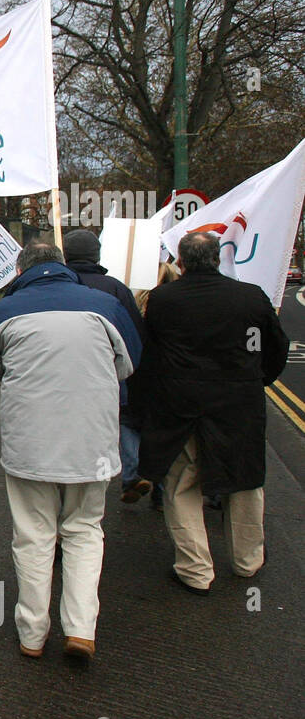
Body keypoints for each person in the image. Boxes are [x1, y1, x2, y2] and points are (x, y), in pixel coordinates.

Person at [0, 242, 140, 660]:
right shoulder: (105, 305)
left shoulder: (2, 312)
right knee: (84, 532)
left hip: (29, 445)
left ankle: (32, 633)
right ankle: (81, 630)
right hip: (92, 442)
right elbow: (130, 363)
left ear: (20, 270)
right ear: (62, 266)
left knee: (33, 537)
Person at [136, 232, 288, 594]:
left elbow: (150, 354)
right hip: (239, 403)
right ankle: (247, 561)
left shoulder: (163, 300)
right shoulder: (251, 296)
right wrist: (258, 379)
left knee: (182, 485)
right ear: (218, 258)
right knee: (245, 483)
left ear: (182, 262)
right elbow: (275, 347)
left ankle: (195, 569)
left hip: (180, 404)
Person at [62, 229, 150, 503]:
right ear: (97, 255)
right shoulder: (115, 288)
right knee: (117, 422)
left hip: (62, 377)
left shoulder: (58, 286)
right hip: (108, 376)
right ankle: (124, 474)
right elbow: (135, 335)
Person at [134, 261, 181, 510]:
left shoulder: (138, 305)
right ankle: (161, 490)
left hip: (141, 377)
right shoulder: (182, 306)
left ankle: (137, 473)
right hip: (171, 381)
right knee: (167, 437)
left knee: (133, 426)